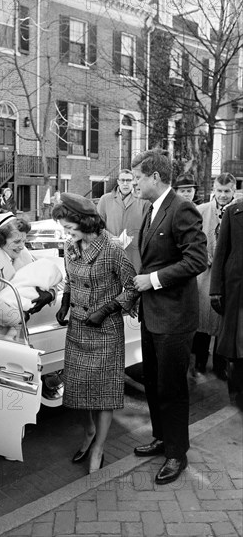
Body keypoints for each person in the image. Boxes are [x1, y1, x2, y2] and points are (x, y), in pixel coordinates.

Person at [131, 149, 207, 485]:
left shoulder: (181, 208)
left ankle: (177, 453)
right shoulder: (151, 209)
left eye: (138, 179)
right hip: (152, 316)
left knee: (172, 387)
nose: (134, 184)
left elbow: (197, 260)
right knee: (152, 382)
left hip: (175, 319)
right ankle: (162, 438)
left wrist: (154, 280)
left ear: (155, 177)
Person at [52, 193, 138, 474]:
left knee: (103, 394)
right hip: (78, 328)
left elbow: (133, 287)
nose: (66, 233)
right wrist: (65, 302)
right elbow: (69, 279)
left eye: (69, 227)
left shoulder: (112, 251)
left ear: (86, 223)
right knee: (79, 389)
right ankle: (88, 433)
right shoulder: (70, 247)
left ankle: (99, 447)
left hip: (105, 331)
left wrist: (109, 307)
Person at [192, 173, 237, 377]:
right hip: (204, 272)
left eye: (227, 191)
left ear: (233, 191)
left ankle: (220, 364)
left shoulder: (239, 212)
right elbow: (190, 238)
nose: (222, 195)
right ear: (213, 190)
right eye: (219, 190)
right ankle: (200, 361)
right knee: (202, 317)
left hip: (227, 275)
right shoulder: (201, 211)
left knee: (223, 320)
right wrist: (203, 254)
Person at [210, 199, 243, 408]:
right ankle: (238, 394)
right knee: (237, 346)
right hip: (237, 292)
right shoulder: (233, 212)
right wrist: (215, 290)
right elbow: (221, 252)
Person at [97, 169, 149, 272]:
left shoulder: (143, 201)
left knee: (133, 283)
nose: (125, 184)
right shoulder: (105, 200)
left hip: (135, 254)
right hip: (110, 251)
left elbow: (148, 227)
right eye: (122, 180)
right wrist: (110, 237)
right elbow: (97, 226)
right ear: (118, 182)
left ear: (134, 182)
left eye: (128, 180)